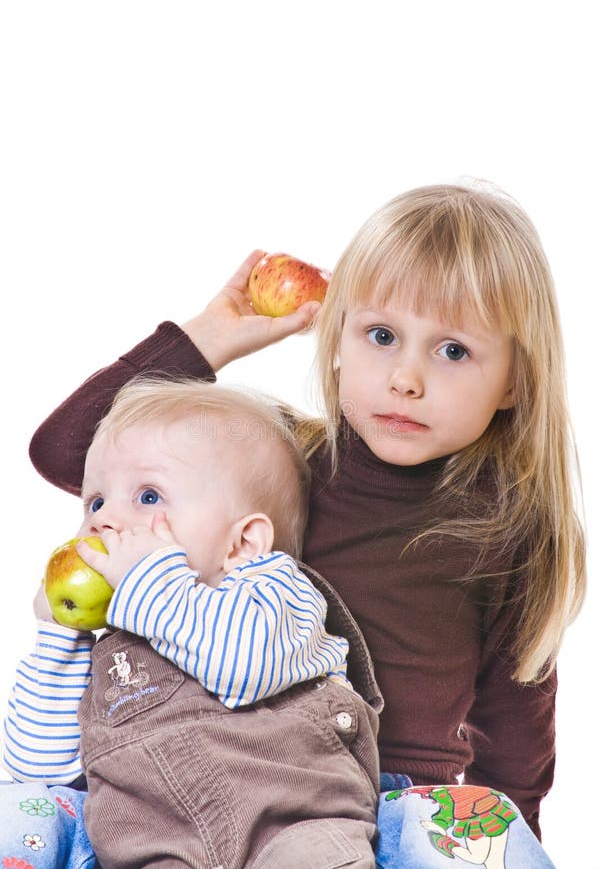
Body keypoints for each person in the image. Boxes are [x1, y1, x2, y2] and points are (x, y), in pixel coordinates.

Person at [25, 183, 584, 867]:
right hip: (191, 774)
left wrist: (506, 837)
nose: (405, 378)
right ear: (341, 336)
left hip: (388, 802)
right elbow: (72, 453)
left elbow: (516, 735)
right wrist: (210, 339)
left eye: (453, 352)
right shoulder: (284, 460)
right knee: (23, 821)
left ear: (517, 381)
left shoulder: (512, 528)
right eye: (381, 336)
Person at [3, 378, 382, 868]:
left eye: (148, 497)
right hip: (155, 849)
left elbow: (243, 668)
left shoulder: (274, 593)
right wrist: (60, 637)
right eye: (95, 502)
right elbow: (37, 766)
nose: (105, 520)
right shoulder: (113, 647)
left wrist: (146, 582)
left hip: (292, 827)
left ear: (242, 543)